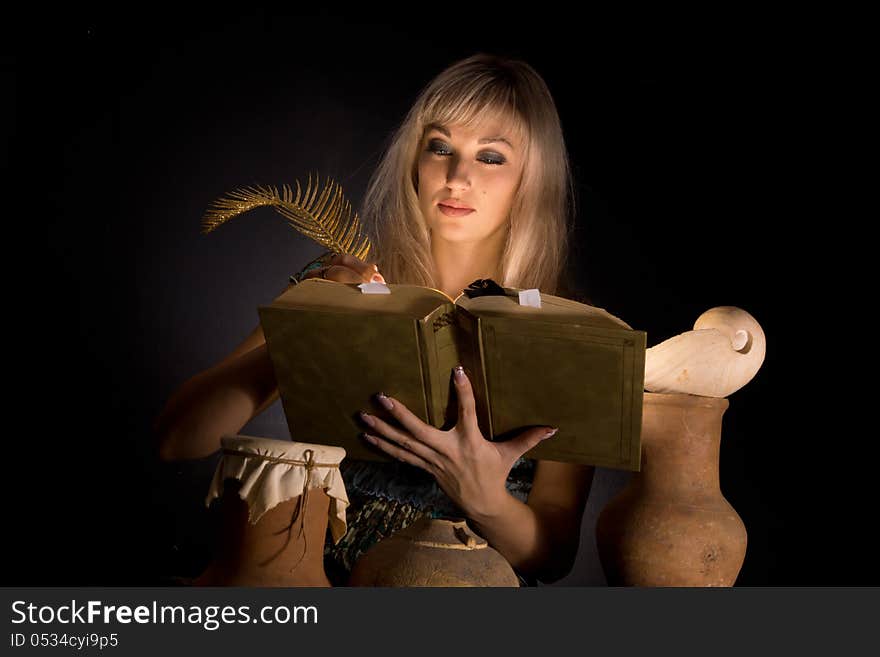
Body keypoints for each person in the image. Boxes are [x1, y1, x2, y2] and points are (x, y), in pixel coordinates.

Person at [154, 53, 595, 586]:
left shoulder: (568, 331)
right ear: (414, 159)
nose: (457, 177)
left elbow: (551, 557)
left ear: (532, 176)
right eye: (440, 148)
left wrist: (482, 496)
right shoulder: (342, 279)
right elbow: (179, 440)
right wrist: (307, 338)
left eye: (491, 157)